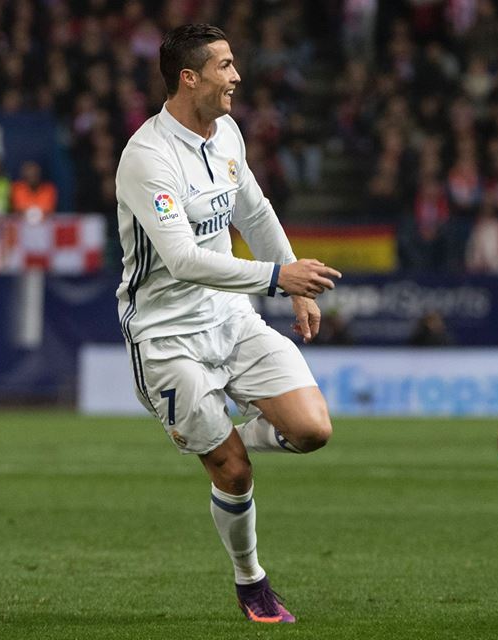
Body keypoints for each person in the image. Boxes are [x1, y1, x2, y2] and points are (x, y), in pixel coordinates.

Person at [114, 24, 342, 624]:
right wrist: (277, 277)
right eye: (224, 66)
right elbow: (183, 260)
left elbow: (255, 212)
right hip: (166, 335)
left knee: (313, 430)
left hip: (231, 317)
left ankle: (223, 436)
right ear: (189, 78)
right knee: (233, 471)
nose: (236, 76)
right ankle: (251, 581)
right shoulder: (147, 158)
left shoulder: (228, 134)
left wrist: (295, 285)